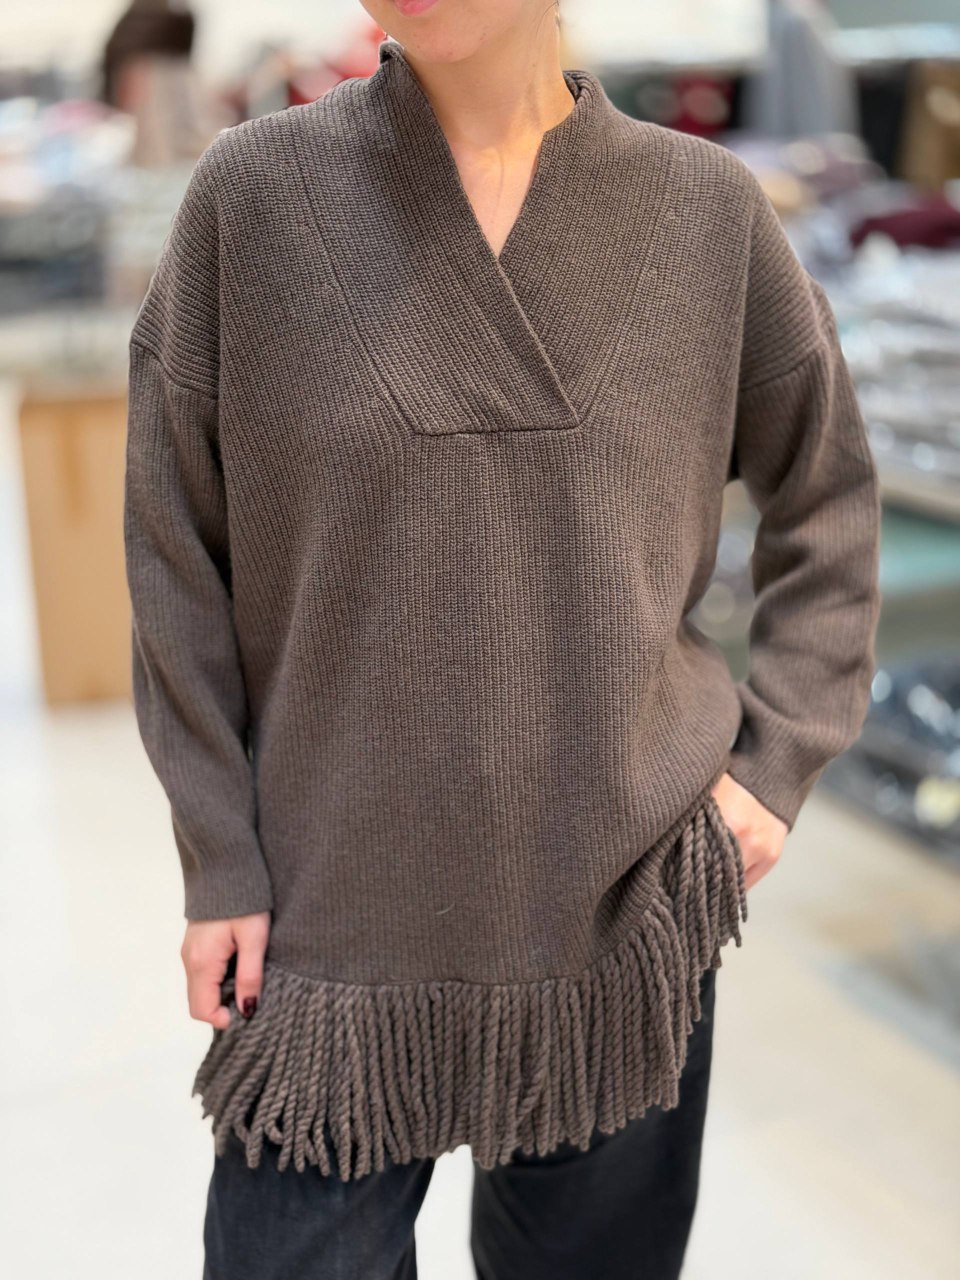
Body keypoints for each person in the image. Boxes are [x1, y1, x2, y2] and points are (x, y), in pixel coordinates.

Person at [122, 2, 883, 1277]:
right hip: (328, 928)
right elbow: (172, 549)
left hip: (620, 920)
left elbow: (830, 498)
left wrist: (776, 761)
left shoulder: (705, 216)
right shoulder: (252, 202)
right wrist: (217, 854)